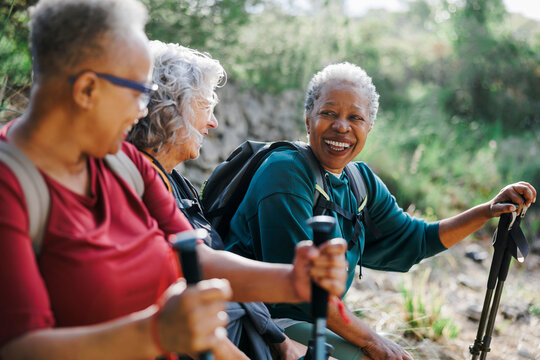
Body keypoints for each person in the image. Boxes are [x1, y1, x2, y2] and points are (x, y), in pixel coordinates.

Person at [0, 1, 348, 359]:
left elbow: (196, 258)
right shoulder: (11, 186)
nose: (143, 111)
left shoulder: (124, 163)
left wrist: (293, 279)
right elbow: (18, 347)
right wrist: (154, 334)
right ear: (87, 90)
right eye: (138, 94)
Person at [224, 62, 537, 360]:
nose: (341, 126)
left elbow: (417, 239)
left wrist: (487, 211)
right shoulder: (286, 172)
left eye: (355, 118)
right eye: (328, 113)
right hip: (262, 319)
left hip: (316, 320)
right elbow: (304, 289)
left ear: (369, 126)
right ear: (308, 120)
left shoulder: (360, 182)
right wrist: (372, 340)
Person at [127, 40, 310, 359]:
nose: (212, 121)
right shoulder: (135, 183)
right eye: (205, 105)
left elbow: (213, 262)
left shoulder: (174, 181)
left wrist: (279, 339)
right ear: (173, 106)